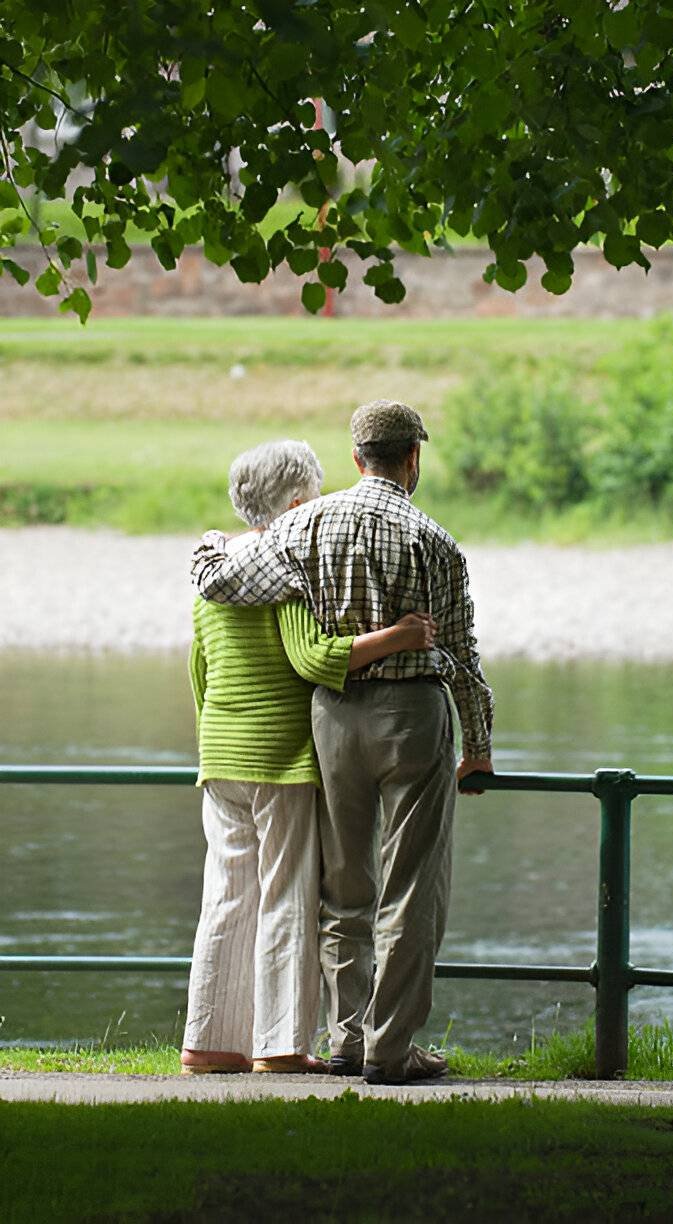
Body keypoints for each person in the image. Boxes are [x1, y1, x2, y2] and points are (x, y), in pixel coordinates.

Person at [191, 401, 494, 1084]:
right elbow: (466, 658)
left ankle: (347, 1038)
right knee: (412, 887)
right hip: (414, 717)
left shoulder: (304, 524)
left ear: (358, 459)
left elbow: (220, 581)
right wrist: (477, 745)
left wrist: (210, 542)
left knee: (344, 885)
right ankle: (391, 1050)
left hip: (333, 718)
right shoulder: (438, 541)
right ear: (413, 458)